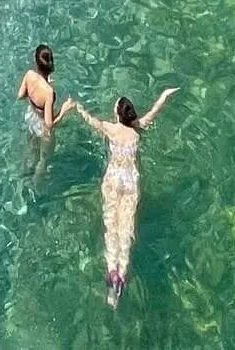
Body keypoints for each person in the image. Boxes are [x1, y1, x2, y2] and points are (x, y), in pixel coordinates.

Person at [71, 88, 181, 307]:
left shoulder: (111, 129)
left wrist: (78, 108)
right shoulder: (138, 128)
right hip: (130, 182)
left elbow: (91, 121)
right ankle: (121, 273)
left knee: (111, 225)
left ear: (118, 115)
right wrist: (165, 95)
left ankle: (111, 272)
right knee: (126, 229)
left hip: (113, 180)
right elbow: (156, 109)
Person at [18, 44, 75, 148]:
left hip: (30, 117)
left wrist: (34, 102)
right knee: (43, 160)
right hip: (42, 128)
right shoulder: (49, 93)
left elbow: (20, 95)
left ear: (36, 62)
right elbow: (49, 125)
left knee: (31, 151)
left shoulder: (29, 74)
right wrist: (64, 109)